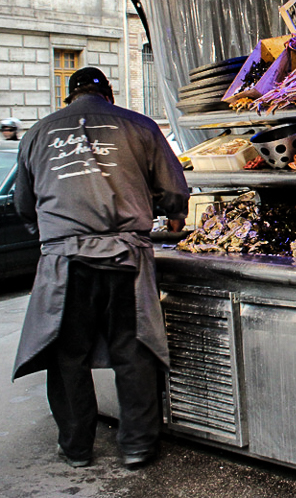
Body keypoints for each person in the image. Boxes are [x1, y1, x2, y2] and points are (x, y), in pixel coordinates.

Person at [11, 67, 189, 470]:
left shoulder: (37, 133)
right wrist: (174, 216)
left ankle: (76, 447)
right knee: (133, 351)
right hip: (124, 259)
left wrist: (54, 232)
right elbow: (174, 189)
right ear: (108, 94)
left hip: (64, 264)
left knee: (67, 356)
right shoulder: (139, 125)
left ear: (68, 96)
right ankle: (137, 447)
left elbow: (25, 204)